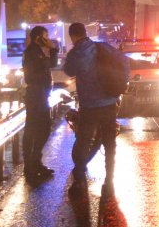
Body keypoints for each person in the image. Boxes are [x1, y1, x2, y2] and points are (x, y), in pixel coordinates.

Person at [63, 22, 129, 185]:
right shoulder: (104, 48)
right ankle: (110, 174)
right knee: (109, 140)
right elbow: (125, 62)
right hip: (108, 102)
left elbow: (68, 70)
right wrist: (121, 84)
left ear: (72, 36)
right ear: (85, 32)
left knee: (84, 139)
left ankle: (79, 171)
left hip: (89, 105)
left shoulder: (75, 53)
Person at [21, 25, 58, 181]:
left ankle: (34, 162)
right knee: (40, 128)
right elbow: (51, 64)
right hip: (36, 95)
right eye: (45, 37)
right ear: (38, 38)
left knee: (38, 128)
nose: (48, 40)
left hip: (39, 94)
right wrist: (53, 49)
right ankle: (31, 163)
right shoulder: (32, 53)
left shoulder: (35, 51)